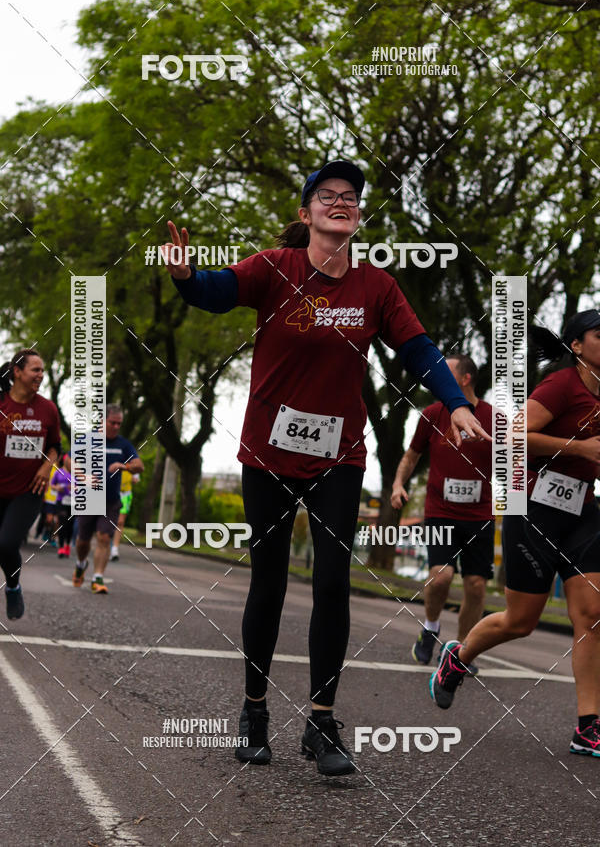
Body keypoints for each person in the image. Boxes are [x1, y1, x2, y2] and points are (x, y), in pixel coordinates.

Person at [164, 159, 490, 776]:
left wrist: (456, 402)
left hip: (338, 455)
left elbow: (419, 349)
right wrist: (185, 277)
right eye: (327, 196)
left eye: (350, 197)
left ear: (358, 217)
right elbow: (215, 290)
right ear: (306, 211)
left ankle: (321, 720)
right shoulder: (273, 268)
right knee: (270, 583)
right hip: (268, 453)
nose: (340, 203)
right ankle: (255, 711)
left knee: (334, 583)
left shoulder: (376, 287)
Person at [430, 310, 600, 759]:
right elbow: (511, 437)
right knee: (520, 621)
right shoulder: (562, 385)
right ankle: (458, 657)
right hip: (535, 511)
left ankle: (588, 728)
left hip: (584, 511)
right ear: (577, 346)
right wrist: (580, 448)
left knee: (592, 618)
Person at [391, 354, 493, 670]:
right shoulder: (433, 414)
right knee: (441, 578)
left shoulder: (495, 419)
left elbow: (513, 466)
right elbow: (411, 456)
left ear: (465, 379)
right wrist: (397, 484)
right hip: (441, 511)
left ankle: (461, 652)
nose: (437, 378)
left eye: (445, 374)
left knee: (476, 586)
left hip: (480, 516)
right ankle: (431, 629)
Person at [0, 349, 61, 619]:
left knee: (7, 543)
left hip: (28, 491)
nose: (41, 374)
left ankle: (12, 587)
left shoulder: (47, 409)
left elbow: (55, 446)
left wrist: (47, 466)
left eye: (42, 370)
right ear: (17, 372)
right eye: (35, 369)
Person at [72, 405, 143, 593]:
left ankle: (97, 578)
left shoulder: (123, 445)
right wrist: (82, 476)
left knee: (104, 538)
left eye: (119, 423)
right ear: (102, 421)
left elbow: (139, 466)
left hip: (111, 501)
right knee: (83, 541)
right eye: (113, 422)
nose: (116, 426)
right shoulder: (87, 439)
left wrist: (124, 466)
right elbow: (69, 461)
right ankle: (80, 564)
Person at [110, 468, 139, 561]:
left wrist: (133, 479)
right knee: (110, 521)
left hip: (125, 494)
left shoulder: (132, 461)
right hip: (113, 492)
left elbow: (136, 478)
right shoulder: (116, 457)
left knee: (120, 522)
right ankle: (107, 542)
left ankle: (115, 548)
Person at [52, 453, 73, 558]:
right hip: (61, 501)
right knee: (62, 523)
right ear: (66, 460)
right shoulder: (58, 472)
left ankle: (67, 545)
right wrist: (57, 488)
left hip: (73, 502)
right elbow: (52, 485)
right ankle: (60, 547)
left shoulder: (77, 473)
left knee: (70, 525)